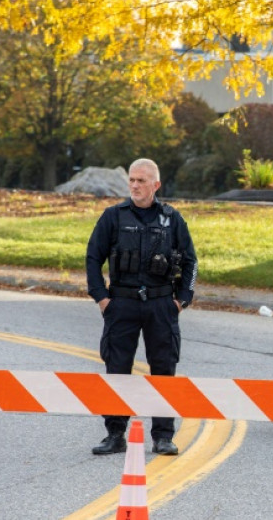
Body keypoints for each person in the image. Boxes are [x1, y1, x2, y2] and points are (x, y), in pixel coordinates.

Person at [85, 158, 198, 456]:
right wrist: (102, 299)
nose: (135, 185)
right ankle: (115, 434)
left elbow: (190, 262)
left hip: (161, 304)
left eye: (142, 180)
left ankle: (163, 436)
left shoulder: (172, 219)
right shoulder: (113, 217)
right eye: (132, 180)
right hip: (121, 303)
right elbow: (93, 259)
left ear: (156, 185)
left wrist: (181, 300)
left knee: (163, 369)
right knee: (118, 368)